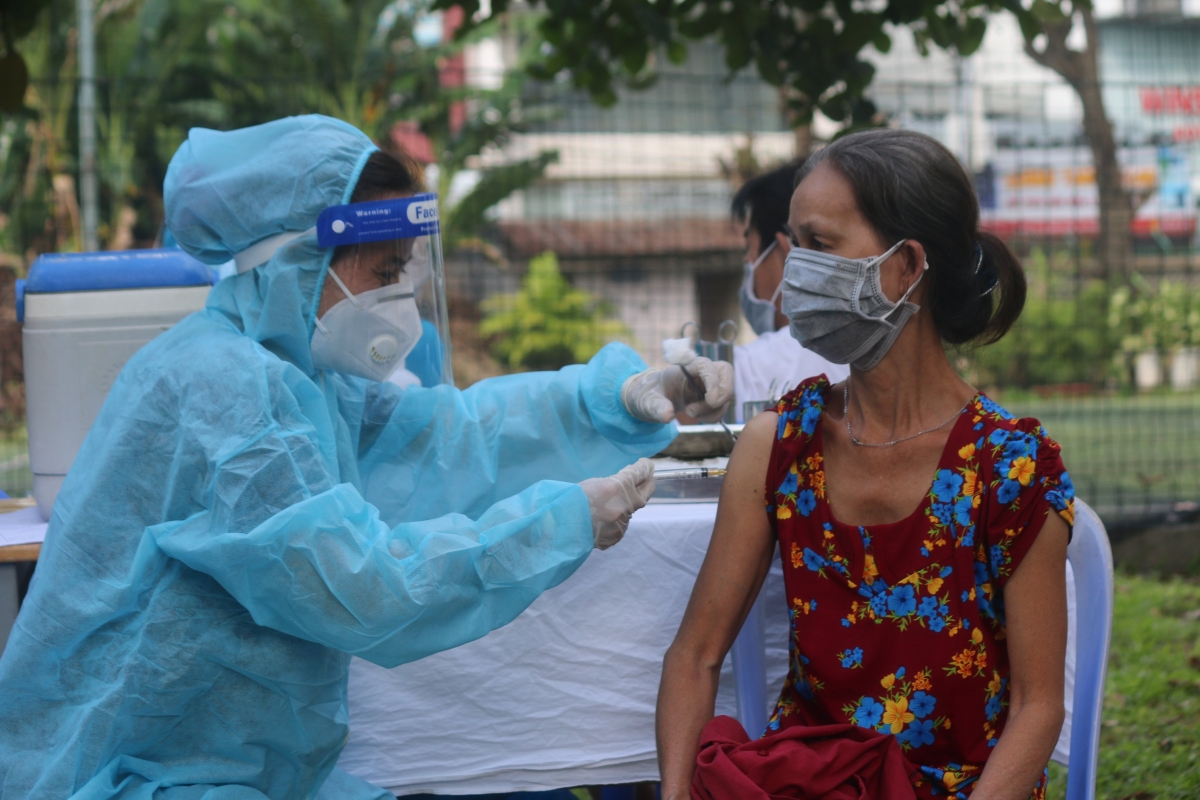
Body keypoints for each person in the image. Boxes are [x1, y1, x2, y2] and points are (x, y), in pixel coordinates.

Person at [0, 115, 732, 800]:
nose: (398, 294)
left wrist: (615, 399)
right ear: (297, 258)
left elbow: (450, 436)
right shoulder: (226, 389)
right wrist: (563, 522)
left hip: (234, 770)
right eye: (385, 270)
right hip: (124, 772)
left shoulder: (298, 377)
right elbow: (362, 587)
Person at [657, 129, 1076, 800]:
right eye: (794, 245)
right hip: (809, 784)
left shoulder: (1011, 469)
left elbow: (1037, 706)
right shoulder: (780, 445)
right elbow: (695, 655)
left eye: (820, 245)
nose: (794, 275)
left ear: (907, 267)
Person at [733, 164, 849, 420]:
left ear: (789, 252)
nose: (748, 262)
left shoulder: (750, 368)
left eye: (750, 248)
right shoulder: (876, 347)